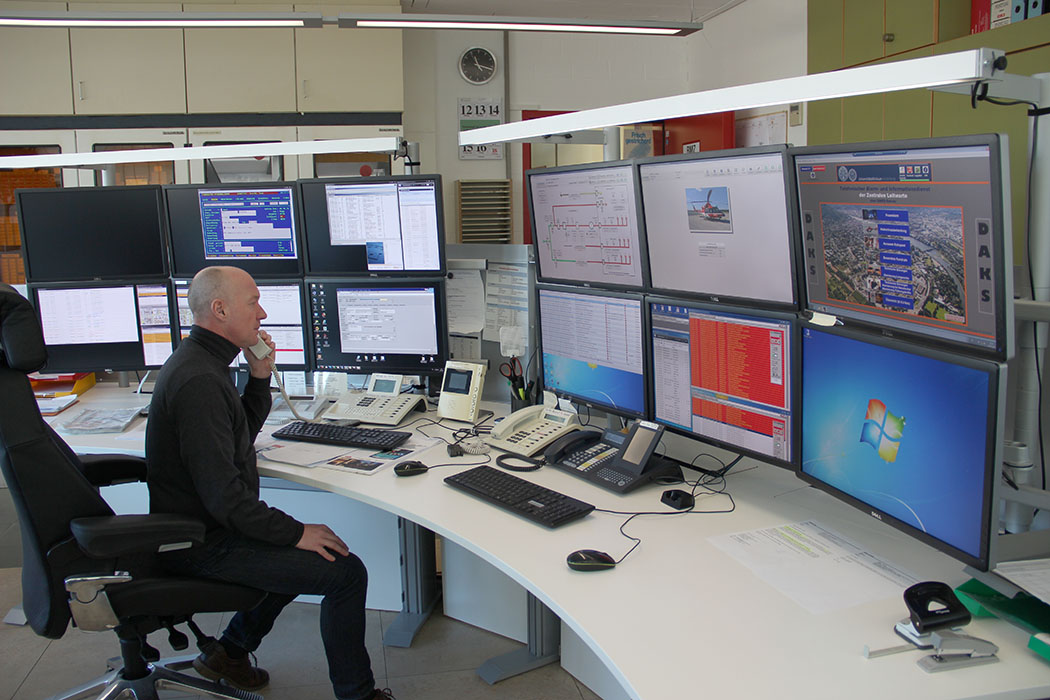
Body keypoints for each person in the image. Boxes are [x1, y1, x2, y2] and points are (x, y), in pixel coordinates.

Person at [145, 265, 393, 700]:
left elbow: (236, 433)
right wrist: (296, 533)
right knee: (343, 571)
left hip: (206, 527)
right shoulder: (200, 380)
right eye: (253, 302)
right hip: (202, 543)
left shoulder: (202, 363)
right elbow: (227, 499)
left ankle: (230, 653)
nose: (262, 314)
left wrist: (259, 377)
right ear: (219, 310)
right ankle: (358, 695)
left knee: (299, 548)